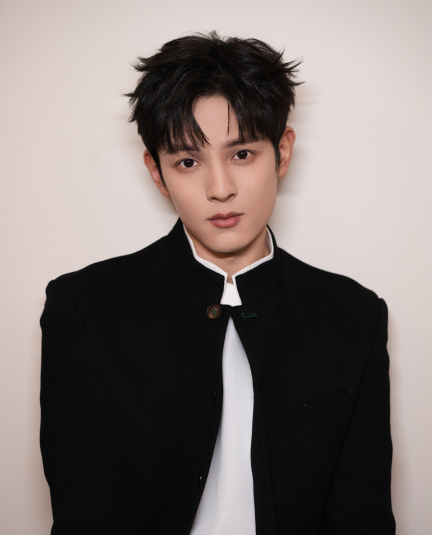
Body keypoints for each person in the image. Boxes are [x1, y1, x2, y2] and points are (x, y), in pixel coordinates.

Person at [40, 32, 396, 535]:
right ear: (157, 173)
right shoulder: (85, 309)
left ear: (283, 152)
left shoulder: (353, 316)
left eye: (242, 154)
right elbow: (86, 515)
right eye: (188, 162)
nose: (220, 189)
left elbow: (363, 517)